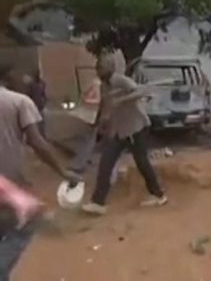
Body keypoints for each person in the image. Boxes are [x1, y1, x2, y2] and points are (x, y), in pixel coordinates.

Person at [0, 64, 80, 279]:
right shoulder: (19, 102)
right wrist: (64, 171)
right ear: (8, 78)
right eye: (21, 76)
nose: (25, 80)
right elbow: (38, 143)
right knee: (25, 225)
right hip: (8, 186)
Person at [81, 55, 167, 215]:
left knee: (142, 162)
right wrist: (98, 123)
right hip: (120, 130)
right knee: (106, 162)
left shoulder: (121, 81)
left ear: (110, 68)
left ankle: (158, 195)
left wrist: (121, 100)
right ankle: (98, 202)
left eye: (101, 68)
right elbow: (104, 105)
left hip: (136, 128)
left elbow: (141, 92)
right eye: (97, 68)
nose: (98, 71)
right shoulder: (104, 86)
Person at [27, 70, 47, 137]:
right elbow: (29, 94)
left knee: (42, 121)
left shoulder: (42, 83)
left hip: (40, 105)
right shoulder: (32, 84)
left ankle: (43, 135)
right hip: (34, 104)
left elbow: (43, 94)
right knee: (36, 121)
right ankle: (39, 135)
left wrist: (44, 100)